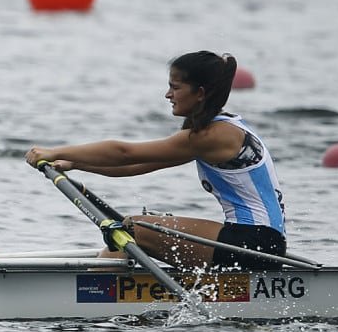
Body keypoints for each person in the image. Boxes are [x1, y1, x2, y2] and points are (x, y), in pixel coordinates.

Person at [24, 50, 286, 270]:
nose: (168, 94)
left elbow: (124, 153)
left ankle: (89, 292)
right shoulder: (220, 127)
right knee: (129, 229)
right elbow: (136, 165)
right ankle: (98, 286)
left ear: (200, 93)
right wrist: (77, 164)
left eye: (175, 87)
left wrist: (56, 152)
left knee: (130, 229)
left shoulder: (213, 135)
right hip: (259, 243)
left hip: (254, 243)